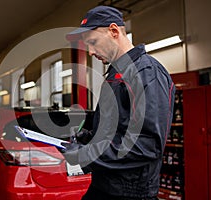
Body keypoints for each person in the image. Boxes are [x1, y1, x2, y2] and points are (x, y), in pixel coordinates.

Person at [61, 5, 176, 200]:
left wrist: (87, 154)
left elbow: (146, 145)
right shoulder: (116, 75)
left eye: (93, 42)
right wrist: (89, 137)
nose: (89, 52)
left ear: (114, 31)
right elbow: (118, 131)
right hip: (105, 185)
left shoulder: (146, 73)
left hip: (130, 193)